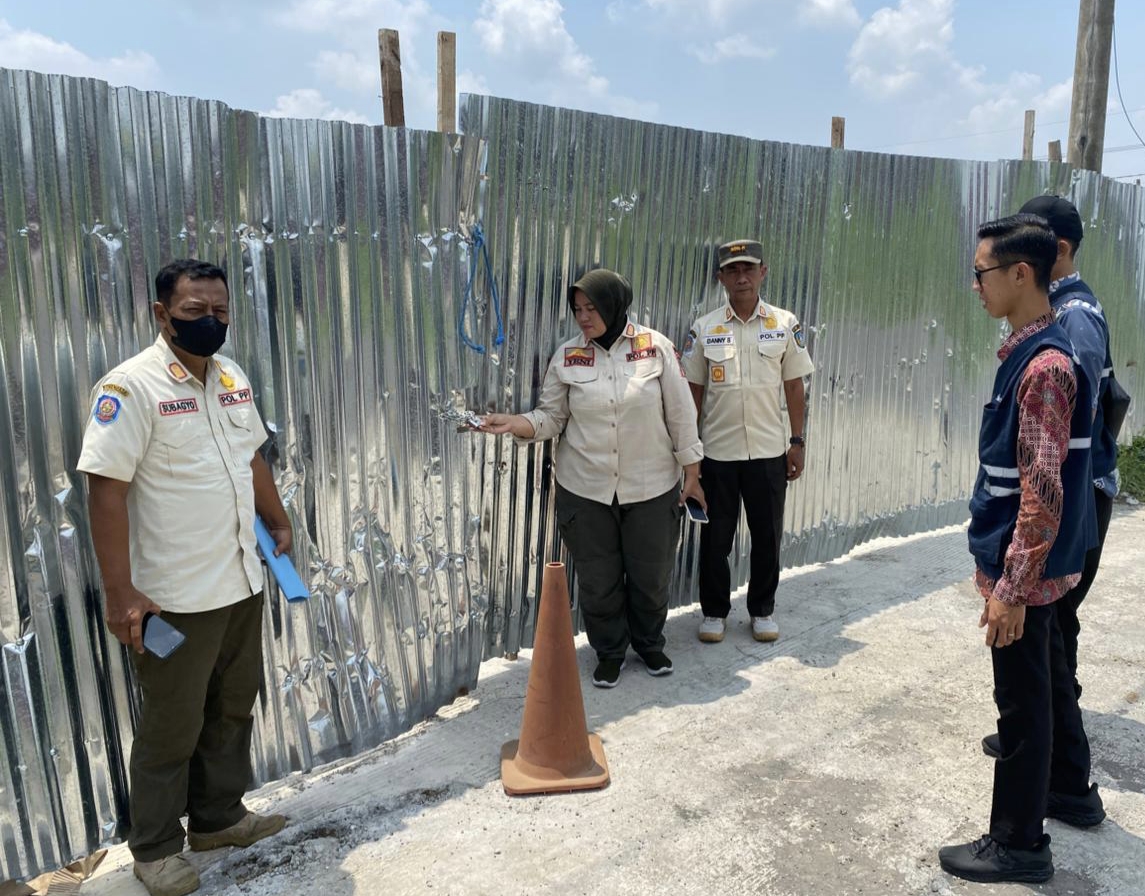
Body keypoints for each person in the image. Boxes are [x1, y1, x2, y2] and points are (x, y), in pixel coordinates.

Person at [77, 259, 293, 896]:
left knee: (232, 705)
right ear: (161, 314)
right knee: (173, 724)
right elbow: (105, 491)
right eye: (196, 311)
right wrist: (121, 593)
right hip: (174, 594)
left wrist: (276, 519)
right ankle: (154, 849)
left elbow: (249, 454)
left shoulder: (229, 374)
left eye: (220, 311)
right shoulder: (131, 387)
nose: (211, 322)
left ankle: (218, 817)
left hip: (239, 578)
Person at [938, 215, 1103, 885]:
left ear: (1018, 274)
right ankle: (1071, 791)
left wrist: (1009, 590)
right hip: (1034, 570)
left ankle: (1017, 842)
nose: (973, 284)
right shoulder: (1035, 350)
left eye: (980, 272)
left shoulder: (1043, 368)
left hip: (1025, 575)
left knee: (1022, 708)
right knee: (1046, 683)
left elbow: (1040, 495)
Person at [479, 269, 705, 688]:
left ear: (615, 305)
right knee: (599, 580)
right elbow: (551, 418)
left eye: (592, 308)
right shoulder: (567, 356)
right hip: (585, 489)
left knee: (651, 574)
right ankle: (610, 651)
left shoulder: (655, 348)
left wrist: (692, 475)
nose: (584, 317)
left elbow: (681, 416)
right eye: (578, 309)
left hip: (651, 486)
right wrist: (515, 423)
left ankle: (650, 643)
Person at [979, 195, 1119, 760]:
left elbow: (1057, 442)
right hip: (1060, 503)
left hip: (1068, 501)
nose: (978, 284)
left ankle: (1056, 762)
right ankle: (1055, 759)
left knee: (1048, 642)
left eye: (984, 271)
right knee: (1046, 643)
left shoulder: (1069, 327)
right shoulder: (1052, 323)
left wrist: (1015, 577)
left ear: (1048, 252)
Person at [681, 239, 814, 644]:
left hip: (769, 453)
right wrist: (691, 454)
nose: (742, 277)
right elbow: (693, 395)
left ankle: (762, 610)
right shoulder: (705, 328)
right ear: (720, 277)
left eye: (749, 269)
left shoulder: (783, 323)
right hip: (719, 454)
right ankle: (714, 612)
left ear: (763, 272)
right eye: (732, 270)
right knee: (716, 538)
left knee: (767, 536)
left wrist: (797, 441)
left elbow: (794, 386)